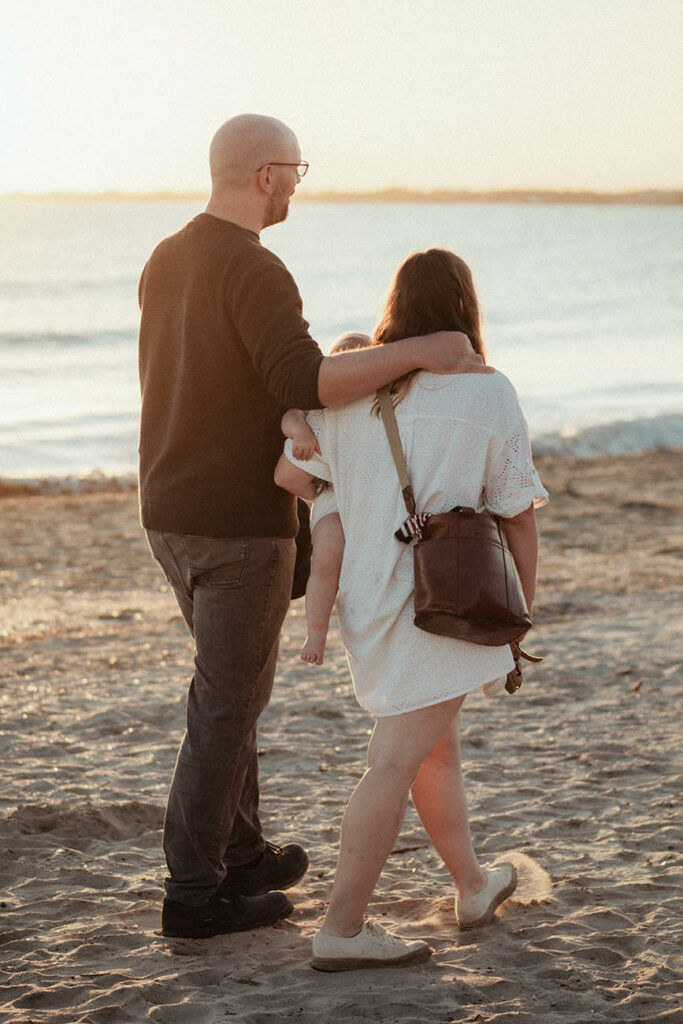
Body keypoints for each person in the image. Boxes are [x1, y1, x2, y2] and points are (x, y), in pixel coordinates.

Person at [138, 115, 493, 941]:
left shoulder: (168, 256)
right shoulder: (255, 267)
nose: (298, 182)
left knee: (234, 694)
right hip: (236, 521)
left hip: (168, 506)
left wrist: (285, 408)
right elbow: (311, 375)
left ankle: (242, 854)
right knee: (225, 705)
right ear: (265, 175)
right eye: (294, 168)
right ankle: (194, 895)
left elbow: (224, 374)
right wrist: (419, 352)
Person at [275, 247, 548, 970]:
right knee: (393, 760)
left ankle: (470, 885)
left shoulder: (346, 395)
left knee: (432, 745)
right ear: (464, 311)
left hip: (369, 597)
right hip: (446, 597)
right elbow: (515, 511)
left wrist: (347, 500)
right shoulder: (487, 392)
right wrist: (522, 605)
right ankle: (341, 928)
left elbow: (290, 474)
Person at [281, 333, 370, 665]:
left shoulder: (378, 403)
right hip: (331, 495)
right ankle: (316, 632)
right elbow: (289, 417)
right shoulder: (318, 404)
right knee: (325, 561)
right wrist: (301, 432)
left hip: (368, 492)